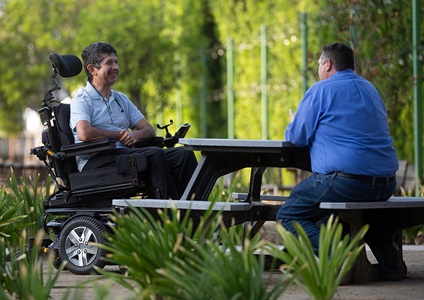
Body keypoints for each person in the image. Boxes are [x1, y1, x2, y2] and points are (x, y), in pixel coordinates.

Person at [276, 42, 399, 255]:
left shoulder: (321, 90)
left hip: (347, 183)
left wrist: (294, 122)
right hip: (386, 184)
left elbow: (297, 137)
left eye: (318, 64)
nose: (317, 69)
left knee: (288, 214)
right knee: (327, 212)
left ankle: (343, 259)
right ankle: (390, 264)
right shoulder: (371, 89)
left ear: (327, 64)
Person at [70, 41, 197, 200]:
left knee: (184, 155)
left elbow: (148, 129)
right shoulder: (81, 100)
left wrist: (135, 136)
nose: (115, 67)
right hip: (96, 161)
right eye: (109, 63)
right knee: (155, 155)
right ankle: (169, 216)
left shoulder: (120, 99)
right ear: (92, 69)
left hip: (124, 154)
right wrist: (117, 135)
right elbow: (84, 133)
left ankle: (194, 212)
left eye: (116, 62)